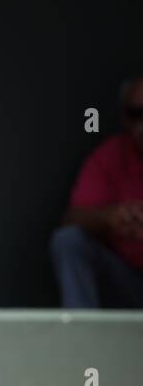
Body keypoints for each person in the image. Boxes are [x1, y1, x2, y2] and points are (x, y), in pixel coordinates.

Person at [51, 73, 143, 308]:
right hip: (128, 282)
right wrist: (110, 217)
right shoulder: (109, 155)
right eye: (136, 114)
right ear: (124, 117)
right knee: (68, 241)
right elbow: (72, 218)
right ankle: (80, 339)